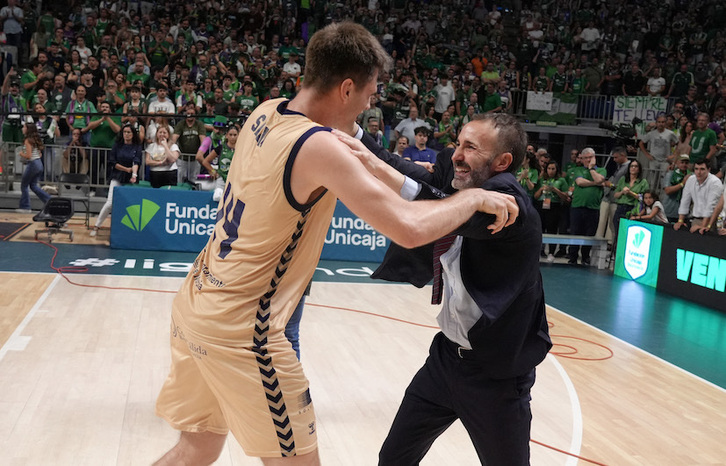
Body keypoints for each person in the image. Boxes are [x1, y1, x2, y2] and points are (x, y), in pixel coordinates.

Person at [153, 22, 519, 466]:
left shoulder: (265, 111)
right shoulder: (318, 146)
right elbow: (407, 226)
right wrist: (475, 197)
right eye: (369, 95)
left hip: (197, 302)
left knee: (196, 449)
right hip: (244, 332)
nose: (369, 106)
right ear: (347, 88)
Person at [345, 113, 550, 465]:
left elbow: (444, 209)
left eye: (470, 147)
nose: (456, 154)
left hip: (495, 375)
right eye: (458, 143)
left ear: (502, 162)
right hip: (444, 362)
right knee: (393, 458)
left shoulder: (509, 203)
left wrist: (378, 172)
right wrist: (354, 131)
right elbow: (414, 177)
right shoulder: (461, 185)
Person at [89, 124, 142, 237]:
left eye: (129, 132)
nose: (126, 134)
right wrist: (126, 169)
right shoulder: (117, 145)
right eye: (125, 132)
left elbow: (136, 161)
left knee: (130, 205)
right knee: (110, 203)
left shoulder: (137, 147)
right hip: (117, 176)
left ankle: (129, 229)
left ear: (133, 134)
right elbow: (112, 162)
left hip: (130, 179)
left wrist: (134, 174)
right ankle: (97, 226)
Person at [568, 148, 606, 265]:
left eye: (591, 157)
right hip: (578, 206)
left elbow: (599, 178)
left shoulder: (601, 170)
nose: (589, 160)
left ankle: (585, 257)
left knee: (590, 233)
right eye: (586, 158)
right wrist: (596, 183)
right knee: (575, 232)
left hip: (593, 208)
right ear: (582, 159)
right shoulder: (577, 169)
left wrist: (591, 169)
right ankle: (573, 257)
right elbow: (580, 182)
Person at [674, 160, 722, 233]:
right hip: (695, 219)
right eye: (696, 169)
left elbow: (710, 206)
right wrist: (680, 221)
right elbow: (684, 201)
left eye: (702, 169)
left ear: (708, 170)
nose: (698, 172)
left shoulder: (715, 182)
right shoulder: (691, 179)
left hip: (712, 221)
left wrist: (703, 226)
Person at [535, 160, 569, 261]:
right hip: (542, 205)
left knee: (552, 229)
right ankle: (540, 251)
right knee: (540, 229)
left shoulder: (561, 180)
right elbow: (536, 196)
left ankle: (551, 252)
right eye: (549, 169)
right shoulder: (541, 179)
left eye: (553, 169)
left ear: (556, 169)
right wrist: (541, 189)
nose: (550, 171)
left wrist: (555, 190)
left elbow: (565, 198)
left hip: (554, 205)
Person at [16, 123, 51, 213]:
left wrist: (21, 154)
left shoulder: (28, 140)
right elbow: (40, 153)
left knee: (24, 185)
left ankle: (25, 207)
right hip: (39, 163)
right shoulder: (35, 139)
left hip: (33, 164)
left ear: (28, 129)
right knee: (34, 186)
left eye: (24, 127)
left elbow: (28, 155)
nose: (22, 129)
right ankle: (49, 201)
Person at [199, 125, 239, 201]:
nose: (233, 137)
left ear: (238, 135)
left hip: (236, 179)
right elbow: (205, 161)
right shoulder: (220, 148)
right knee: (217, 197)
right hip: (222, 179)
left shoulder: (242, 149)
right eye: (230, 135)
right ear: (226, 136)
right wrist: (212, 171)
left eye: (235, 135)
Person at [612, 160, 649, 239]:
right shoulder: (623, 179)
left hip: (632, 208)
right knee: (617, 232)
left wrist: (630, 193)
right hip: (620, 207)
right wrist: (622, 192)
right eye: (632, 166)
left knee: (628, 234)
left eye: (636, 166)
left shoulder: (643, 182)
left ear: (639, 169)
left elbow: (643, 198)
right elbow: (615, 195)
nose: (633, 168)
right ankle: (615, 250)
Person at [661, 154, 691, 222]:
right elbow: (667, 191)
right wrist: (682, 183)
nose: (684, 165)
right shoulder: (671, 174)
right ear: (677, 163)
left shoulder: (691, 176)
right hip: (669, 210)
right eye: (682, 162)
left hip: (684, 212)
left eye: (686, 163)